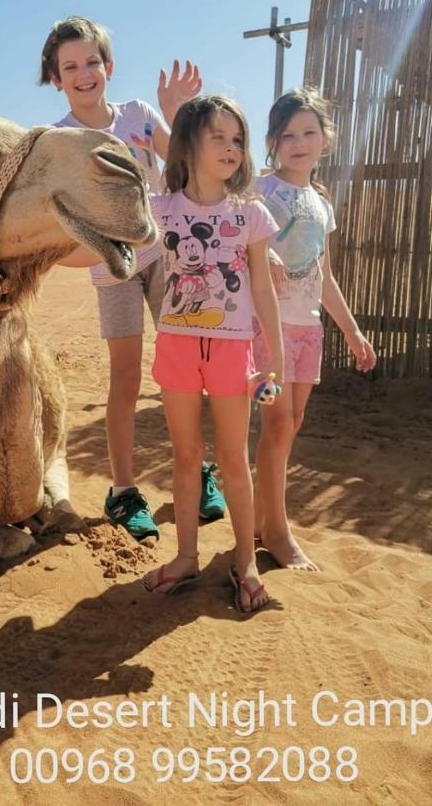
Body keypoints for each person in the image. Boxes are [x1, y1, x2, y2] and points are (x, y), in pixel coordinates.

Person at [40, 16, 226, 542]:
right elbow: (55, 227)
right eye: (70, 66)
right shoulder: (56, 143)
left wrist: (176, 114)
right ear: (56, 78)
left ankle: (200, 471)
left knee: (186, 371)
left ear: (109, 67)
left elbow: (188, 171)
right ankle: (123, 491)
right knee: (125, 379)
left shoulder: (139, 118)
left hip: (169, 256)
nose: (83, 73)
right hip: (113, 267)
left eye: (91, 62)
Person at [141, 95, 284, 613]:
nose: (230, 148)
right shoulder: (160, 209)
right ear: (189, 144)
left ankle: (244, 562)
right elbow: (115, 250)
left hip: (232, 350)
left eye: (237, 140)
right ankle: (185, 557)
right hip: (177, 345)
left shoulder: (249, 213)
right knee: (184, 455)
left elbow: (263, 289)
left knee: (232, 459)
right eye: (217, 137)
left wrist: (277, 354)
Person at [252, 87, 377, 571]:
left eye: (308, 132)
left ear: (326, 138)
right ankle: (278, 534)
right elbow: (242, 245)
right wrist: (268, 253)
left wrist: (351, 330)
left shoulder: (321, 205)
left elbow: (324, 277)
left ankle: (266, 520)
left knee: (293, 424)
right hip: (269, 331)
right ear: (272, 142)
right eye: (287, 135)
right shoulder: (262, 191)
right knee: (276, 422)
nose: (298, 142)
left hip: (308, 330)